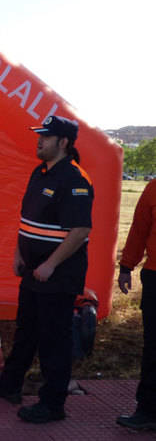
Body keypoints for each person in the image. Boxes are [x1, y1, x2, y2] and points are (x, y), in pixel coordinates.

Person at [0, 115, 94, 424]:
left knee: (53, 340)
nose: (39, 140)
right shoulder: (40, 172)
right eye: (39, 135)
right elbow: (27, 218)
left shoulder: (75, 179)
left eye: (46, 136)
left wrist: (50, 264)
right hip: (33, 270)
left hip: (58, 276)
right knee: (26, 331)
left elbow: (80, 230)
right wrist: (19, 252)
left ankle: (53, 404)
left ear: (64, 143)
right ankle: (10, 385)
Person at [116, 178, 156, 431]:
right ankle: (148, 410)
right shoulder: (154, 188)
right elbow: (139, 229)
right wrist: (126, 266)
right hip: (155, 276)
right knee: (153, 347)